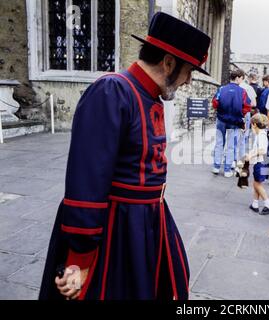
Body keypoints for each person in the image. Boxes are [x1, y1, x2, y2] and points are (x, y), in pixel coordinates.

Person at [39, 12, 211, 300]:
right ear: (168, 62)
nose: (188, 81)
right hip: (115, 230)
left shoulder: (149, 96)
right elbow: (87, 181)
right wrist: (80, 260)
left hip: (145, 224)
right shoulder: (112, 91)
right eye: (189, 70)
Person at [211, 69, 252, 177]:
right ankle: (227, 169)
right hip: (235, 121)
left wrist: (220, 111)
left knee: (219, 143)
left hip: (221, 120)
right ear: (238, 78)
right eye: (241, 78)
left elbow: (215, 103)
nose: (241, 81)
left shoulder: (222, 89)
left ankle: (216, 166)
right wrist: (240, 114)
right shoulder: (242, 92)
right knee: (230, 145)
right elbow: (247, 106)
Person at [245, 113, 269, 215]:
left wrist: (251, 156)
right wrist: (250, 154)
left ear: (254, 124)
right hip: (264, 162)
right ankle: (255, 204)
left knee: (257, 184)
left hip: (261, 163)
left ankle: (268, 204)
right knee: (257, 183)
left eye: (251, 125)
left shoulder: (261, 135)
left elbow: (262, 150)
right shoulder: (262, 134)